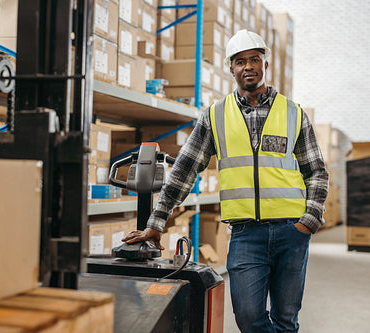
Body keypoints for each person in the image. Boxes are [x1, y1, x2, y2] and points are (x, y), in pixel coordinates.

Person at [122, 29, 329, 333]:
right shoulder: (215, 116)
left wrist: (309, 221)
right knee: (248, 317)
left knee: (286, 319)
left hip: (291, 231)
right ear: (231, 68)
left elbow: (317, 172)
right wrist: (157, 221)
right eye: (241, 61)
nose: (248, 66)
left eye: (255, 59)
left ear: (265, 65)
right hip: (246, 234)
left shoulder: (293, 113)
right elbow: (184, 170)